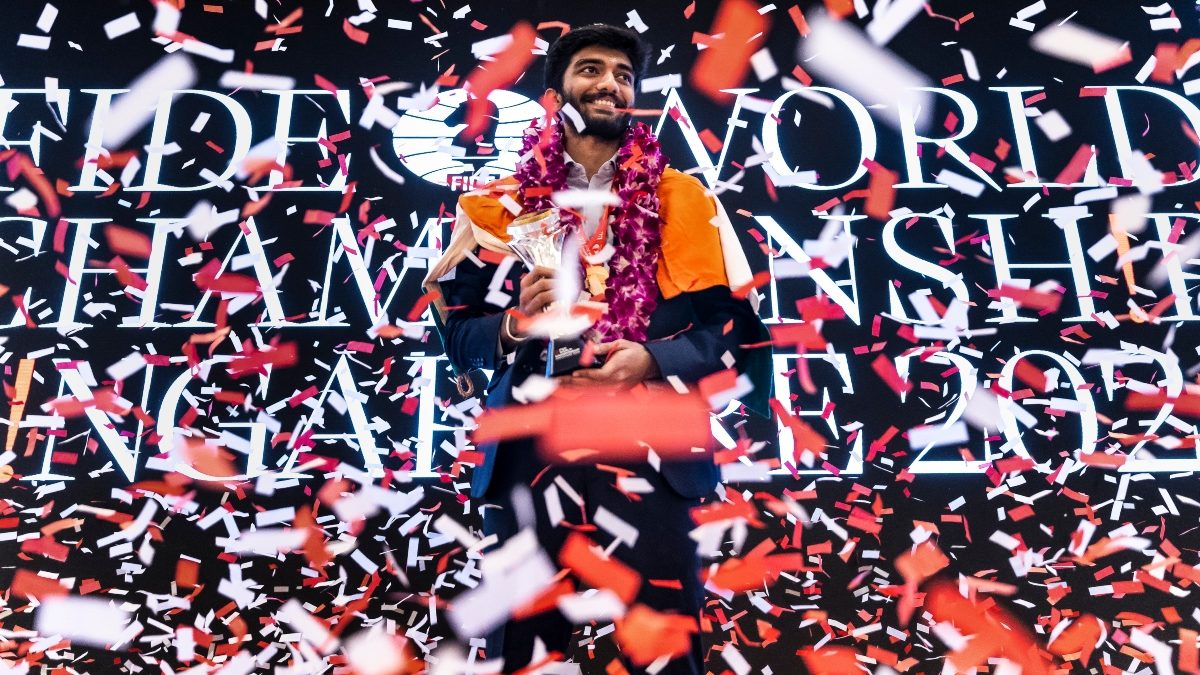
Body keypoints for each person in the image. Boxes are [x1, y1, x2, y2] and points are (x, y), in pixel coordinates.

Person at [424, 23, 771, 674]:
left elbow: (732, 330)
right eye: (591, 69)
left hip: (651, 456)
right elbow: (456, 334)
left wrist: (653, 360)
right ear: (557, 93)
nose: (610, 82)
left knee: (667, 656)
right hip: (532, 453)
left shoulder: (683, 199)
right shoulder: (498, 205)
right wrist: (511, 326)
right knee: (521, 656)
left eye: (622, 74)